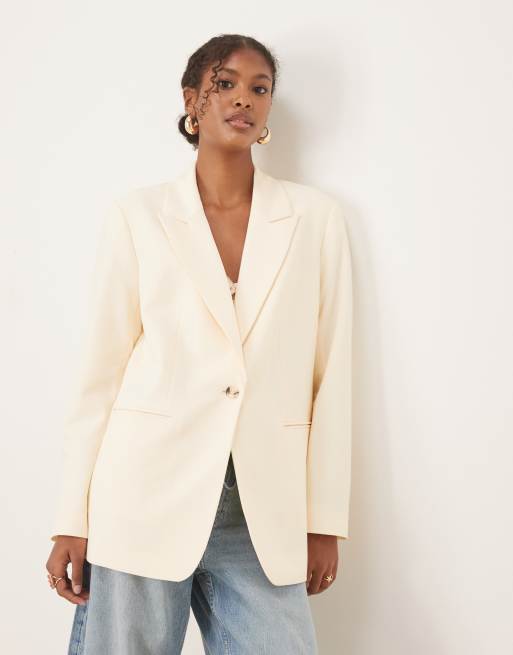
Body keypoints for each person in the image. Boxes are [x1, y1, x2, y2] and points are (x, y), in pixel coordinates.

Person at [45, 33, 353, 654]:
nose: (244, 99)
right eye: (226, 83)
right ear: (192, 101)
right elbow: (100, 375)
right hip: (142, 494)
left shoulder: (315, 219)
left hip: (262, 512)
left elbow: (333, 374)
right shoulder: (139, 215)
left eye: (260, 88)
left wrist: (325, 520)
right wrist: (71, 520)